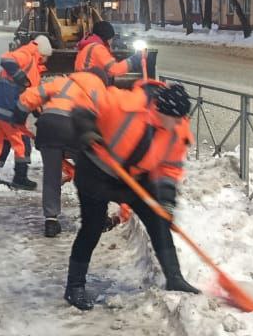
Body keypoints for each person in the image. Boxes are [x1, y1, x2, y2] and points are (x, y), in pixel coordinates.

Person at [63, 81, 200, 310]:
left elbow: (170, 168)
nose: (180, 123)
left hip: (135, 179)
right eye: (176, 119)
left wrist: (166, 201)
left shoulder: (177, 128)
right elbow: (82, 104)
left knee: (159, 221)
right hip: (96, 172)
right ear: (162, 111)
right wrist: (86, 126)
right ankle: (74, 286)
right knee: (93, 227)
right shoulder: (124, 104)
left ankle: (174, 277)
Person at [17, 69, 110, 237]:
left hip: (48, 127)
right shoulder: (99, 89)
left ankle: (51, 222)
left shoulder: (63, 81)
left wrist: (19, 113)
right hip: (75, 130)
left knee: (51, 176)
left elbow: (30, 95)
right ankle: (99, 219)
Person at [0, 35, 52, 189]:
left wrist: (39, 113)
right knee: (22, 143)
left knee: (2, 143)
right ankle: (20, 178)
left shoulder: (33, 67)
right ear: (43, 53)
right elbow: (7, 58)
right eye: (47, 57)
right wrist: (20, 77)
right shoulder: (28, 55)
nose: (47, 61)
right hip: (10, 108)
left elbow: (31, 94)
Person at [75, 21, 141, 81]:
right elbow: (115, 70)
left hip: (85, 83)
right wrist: (135, 59)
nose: (112, 41)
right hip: (90, 86)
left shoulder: (88, 47)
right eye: (111, 38)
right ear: (107, 37)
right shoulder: (97, 48)